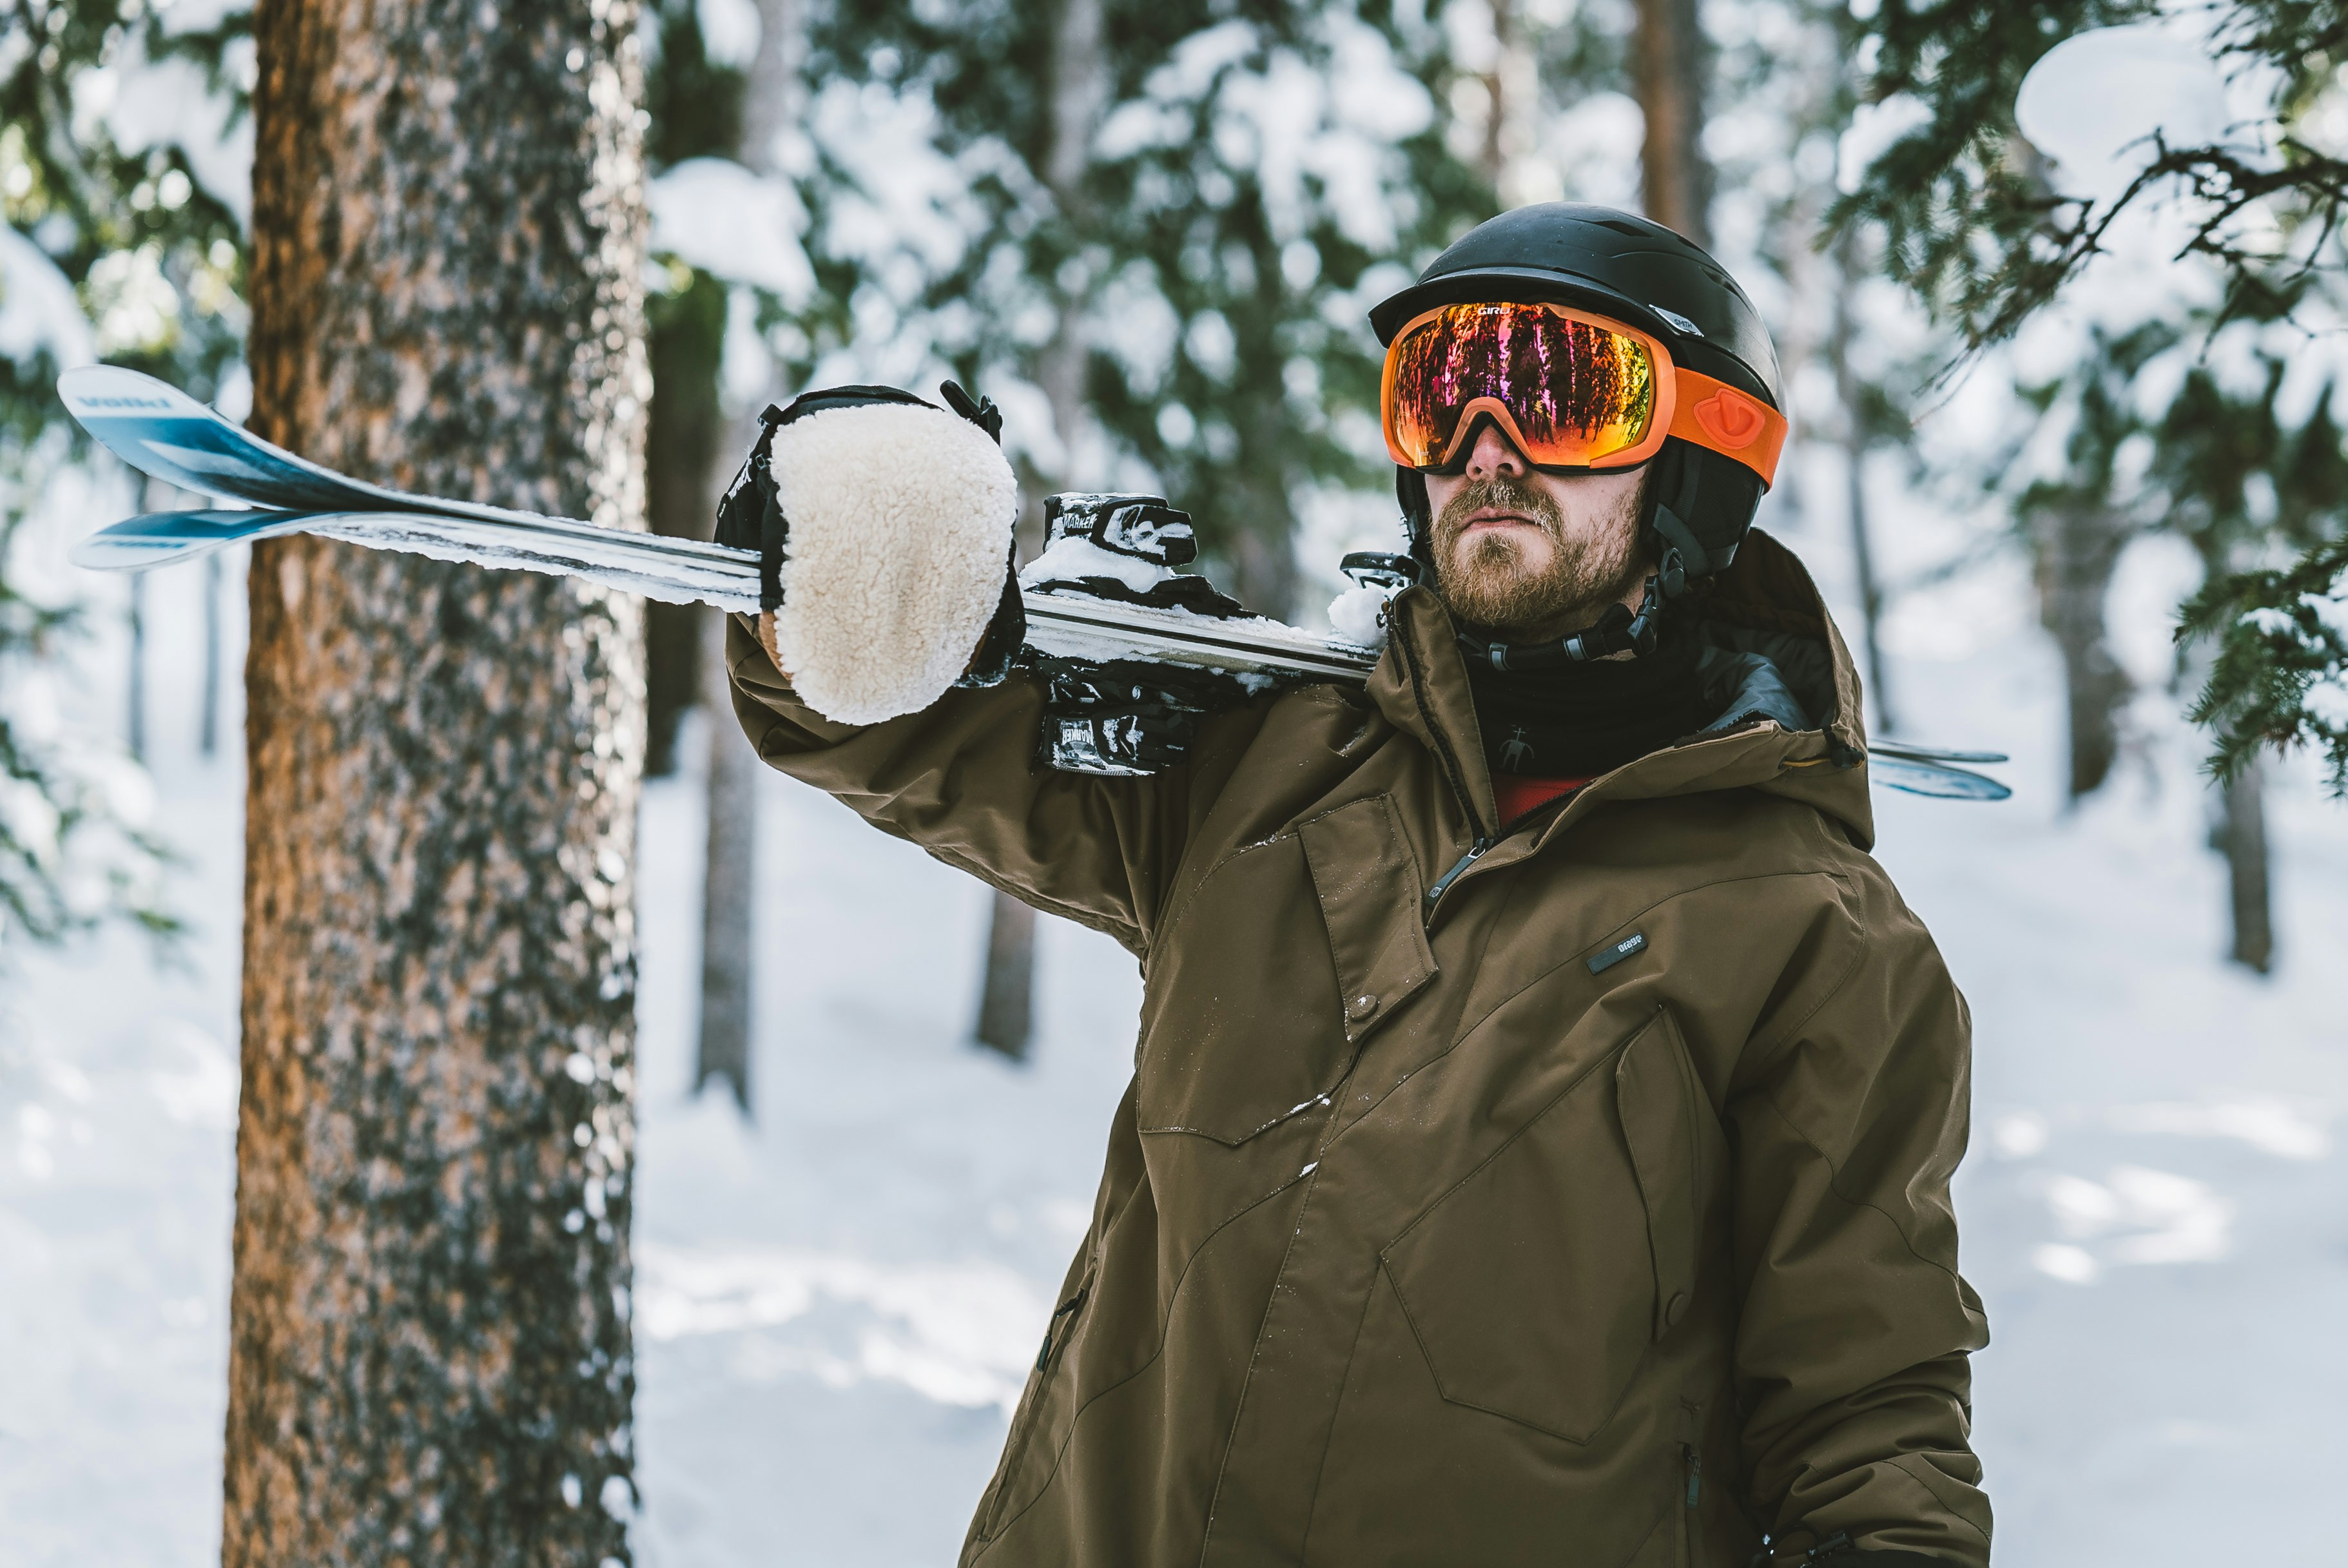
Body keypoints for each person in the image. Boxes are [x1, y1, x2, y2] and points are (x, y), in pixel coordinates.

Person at [720, 204, 1992, 1567]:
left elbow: (1868, 1415)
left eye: (1564, 394)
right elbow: (883, 717)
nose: (1486, 447)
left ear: (1697, 456)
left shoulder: (1809, 933)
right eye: (1440, 391)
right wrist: (857, 553)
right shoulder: (1263, 769)